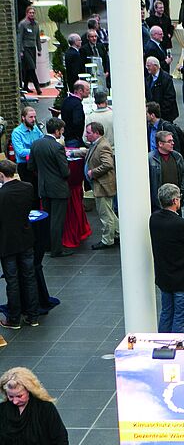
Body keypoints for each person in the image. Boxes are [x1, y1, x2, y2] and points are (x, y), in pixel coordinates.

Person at [149, 183, 184, 333]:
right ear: (174, 201)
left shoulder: (154, 219)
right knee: (181, 318)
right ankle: (176, 345)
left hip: (164, 277)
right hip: (182, 278)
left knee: (166, 314)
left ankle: (162, 343)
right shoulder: (180, 224)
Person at [0, 160, 40, 329]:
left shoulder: (2, 194)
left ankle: (14, 318)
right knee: (29, 278)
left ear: (1, 174)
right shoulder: (27, 187)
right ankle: (33, 316)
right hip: (25, 239)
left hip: (7, 242)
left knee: (12, 281)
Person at [28, 119, 72, 258]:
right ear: (57, 130)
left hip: (43, 187)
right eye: (61, 131)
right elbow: (65, 171)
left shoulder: (36, 144)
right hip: (58, 188)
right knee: (57, 220)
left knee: (47, 218)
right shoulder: (57, 147)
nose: (61, 134)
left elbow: (31, 166)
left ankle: (46, 246)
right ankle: (56, 249)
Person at [80, 122, 118, 251]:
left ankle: (107, 240)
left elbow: (108, 164)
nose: (86, 135)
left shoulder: (102, 146)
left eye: (88, 133)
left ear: (96, 133)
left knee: (105, 215)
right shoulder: (97, 144)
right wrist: (75, 153)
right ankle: (117, 233)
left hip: (102, 186)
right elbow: (90, 153)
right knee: (109, 212)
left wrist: (93, 172)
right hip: (101, 185)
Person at [17, 5, 43, 94]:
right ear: (27, 13)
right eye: (30, 13)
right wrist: (20, 50)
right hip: (25, 48)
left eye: (33, 13)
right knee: (32, 67)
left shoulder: (36, 24)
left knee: (28, 68)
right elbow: (20, 38)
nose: (32, 14)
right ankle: (38, 88)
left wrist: (39, 49)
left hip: (33, 48)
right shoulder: (22, 24)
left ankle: (25, 86)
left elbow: (37, 37)